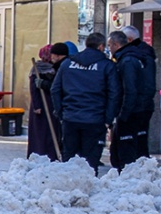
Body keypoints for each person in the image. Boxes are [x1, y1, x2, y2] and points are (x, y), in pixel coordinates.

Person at [50, 33, 118, 172]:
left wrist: (61, 112)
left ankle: (67, 187)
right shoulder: (106, 66)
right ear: (101, 47)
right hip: (95, 119)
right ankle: (88, 189)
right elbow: (114, 93)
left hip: (70, 118)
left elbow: (55, 90)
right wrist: (108, 119)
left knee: (68, 158)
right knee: (91, 161)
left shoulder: (68, 64)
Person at [109, 26, 157, 170]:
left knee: (125, 150)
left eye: (109, 45)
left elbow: (130, 89)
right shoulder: (143, 56)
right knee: (138, 146)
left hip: (133, 111)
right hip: (143, 108)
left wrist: (123, 114)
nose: (109, 49)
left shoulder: (128, 60)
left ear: (116, 45)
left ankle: (128, 178)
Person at [27, 43, 66, 161]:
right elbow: (33, 89)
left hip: (51, 103)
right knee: (40, 133)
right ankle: (39, 154)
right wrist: (37, 106)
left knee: (52, 131)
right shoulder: (37, 69)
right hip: (42, 106)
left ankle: (52, 154)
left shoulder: (55, 68)